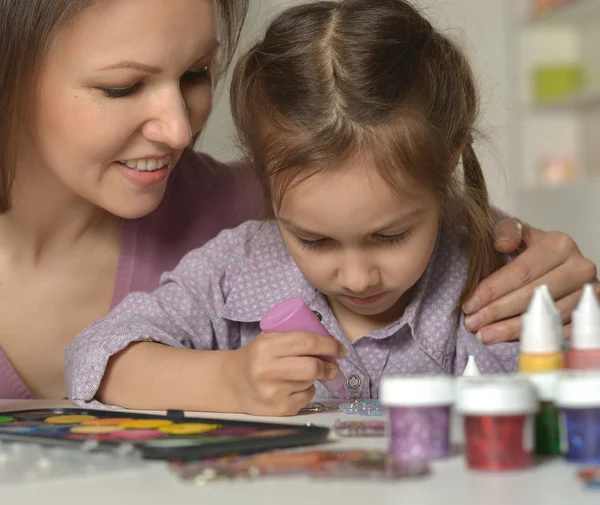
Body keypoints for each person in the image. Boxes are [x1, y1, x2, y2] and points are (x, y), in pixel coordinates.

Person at [0, 0, 595, 401]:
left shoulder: (458, 261)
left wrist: (562, 284)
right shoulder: (236, 263)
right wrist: (227, 381)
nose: (181, 131)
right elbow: (98, 359)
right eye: (123, 86)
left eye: (196, 73)